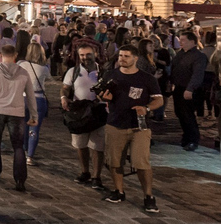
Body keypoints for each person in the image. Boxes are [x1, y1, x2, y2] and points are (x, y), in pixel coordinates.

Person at [100, 44, 163, 213]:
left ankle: (148, 196)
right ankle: (119, 191)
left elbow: (159, 100)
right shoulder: (110, 75)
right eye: (120, 56)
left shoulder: (147, 78)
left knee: (141, 162)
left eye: (126, 56)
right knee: (114, 161)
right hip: (115, 123)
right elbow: (101, 95)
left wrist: (147, 108)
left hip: (139, 127)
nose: (122, 59)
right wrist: (104, 97)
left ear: (136, 58)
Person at [0, 45, 38, 192]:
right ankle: (20, 179)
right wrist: (34, 115)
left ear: (0, 54)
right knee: (18, 147)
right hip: (17, 112)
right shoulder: (23, 73)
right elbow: (31, 96)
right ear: (16, 55)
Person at [61, 43, 107, 189]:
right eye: (82, 55)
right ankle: (85, 171)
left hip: (99, 112)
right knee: (81, 144)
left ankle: (96, 176)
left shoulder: (104, 72)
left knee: (98, 146)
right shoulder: (73, 71)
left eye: (88, 54)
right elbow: (65, 88)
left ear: (95, 54)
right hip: (80, 112)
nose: (85, 58)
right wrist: (63, 98)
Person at [170, 31, 207, 151]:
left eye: (183, 40)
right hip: (179, 88)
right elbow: (174, 69)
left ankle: (193, 139)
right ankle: (186, 136)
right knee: (180, 113)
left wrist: (190, 89)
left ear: (192, 42)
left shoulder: (199, 56)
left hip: (190, 89)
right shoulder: (179, 54)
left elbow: (197, 74)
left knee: (188, 114)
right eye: (180, 40)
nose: (180, 42)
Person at [17, 43, 49, 166]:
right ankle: (30, 155)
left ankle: (24, 150)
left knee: (24, 126)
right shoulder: (44, 68)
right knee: (34, 129)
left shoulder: (21, 64)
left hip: (24, 97)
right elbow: (49, 79)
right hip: (39, 99)